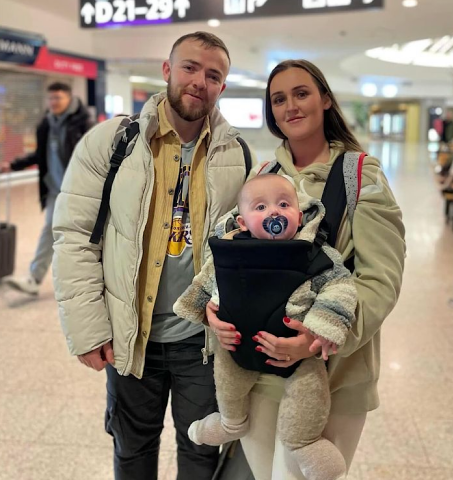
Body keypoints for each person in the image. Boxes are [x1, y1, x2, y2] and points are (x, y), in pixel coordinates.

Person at [52, 32, 254, 480]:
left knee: (201, 452)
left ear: (222, 86)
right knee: (132, 450)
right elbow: (75, 236)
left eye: (213, 75)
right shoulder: (113, 142)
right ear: (167, 70)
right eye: (190, 67)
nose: (199, 81)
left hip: (201, 342)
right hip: (130, 336)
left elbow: (243, 247)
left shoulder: (236, 154)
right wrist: (87, 329)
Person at [206, 59, 406, 480]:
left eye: (301, 93)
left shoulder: (359, 175)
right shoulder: (263, 175)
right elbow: (233, 255)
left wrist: (317, 338)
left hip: (332, 375)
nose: (290, 106)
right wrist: (214, 310)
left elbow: (380, 279)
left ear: (325, 100)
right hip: (258, 368)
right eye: (279, 99)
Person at [174, 174, 357, 480]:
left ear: (299, 216)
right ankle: (231, 422)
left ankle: (303, 442)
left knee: (310, 390)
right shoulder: (231, 250)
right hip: (237, 345)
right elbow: (208, 278)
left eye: (284, 205)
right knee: (227, 378)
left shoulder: (313, 253)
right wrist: (203, 309)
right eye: (260, 207)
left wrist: (323, 327)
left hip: (299, 353)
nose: (274, 212)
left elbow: (340, 286)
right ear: (242, 222)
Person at [2, 82, 93, 295]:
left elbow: (94, 155)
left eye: (58, 98)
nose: (53, 102)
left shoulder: (83, 123)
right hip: (54, 189)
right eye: (51, 98)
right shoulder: (46, 123)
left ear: (69, 98)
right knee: (50, 229)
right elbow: (39, 155)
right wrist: (13, 165)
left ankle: (92, 280)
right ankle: (34, 279)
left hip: (80, 189)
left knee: (85, 234)